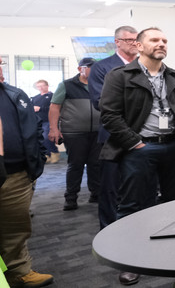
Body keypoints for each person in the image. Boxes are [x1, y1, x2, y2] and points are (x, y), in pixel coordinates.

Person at [99, 27, 175, 286]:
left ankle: (174, 255)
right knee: (132, 206)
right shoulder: (119, 75)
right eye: (154, 40)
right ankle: (130, 261)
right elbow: (109, 115)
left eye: (164, 40)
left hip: (173, 147)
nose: (161, 43)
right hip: (140, 149)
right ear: (139, 46)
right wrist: (134, 143)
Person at [0, 55, 55, 288]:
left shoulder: (14, 94)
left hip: (16, 175)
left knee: (15, 227)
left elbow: (31, 128)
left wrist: (38, 158)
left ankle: (19, 272)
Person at [89, 25, 139, 234]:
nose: (134, 44)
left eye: (137, 40)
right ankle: (108, 231)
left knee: (138, 186)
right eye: (129, 40)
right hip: (113, 136)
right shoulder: (102, 67)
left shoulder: (144, 65)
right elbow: (101, 102)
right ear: (117, 42)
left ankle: (137, 228)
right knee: (110, 188)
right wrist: (138, 104)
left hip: (143, 135)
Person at [48, 57, 102, 211]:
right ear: (80, 69)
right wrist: (54, 128)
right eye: (91, 67)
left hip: (98, 132)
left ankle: (96, 194)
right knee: (76, 165)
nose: (95, 70)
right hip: (74, 132)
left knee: (96, 165)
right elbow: (54, 107)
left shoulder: (101, 84)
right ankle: (71, 198)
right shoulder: (67, 85)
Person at [31, 80, 58, 164]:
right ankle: (46, 154)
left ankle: (54, 152)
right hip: (37, 121)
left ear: (47, 86)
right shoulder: (34, 97)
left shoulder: (52, 96)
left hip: (48, 120)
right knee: (40, 139)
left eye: (42, 85)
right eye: (39, 86)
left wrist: (40, 108)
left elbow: (55, 108)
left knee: (47, 137)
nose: (41, 88)